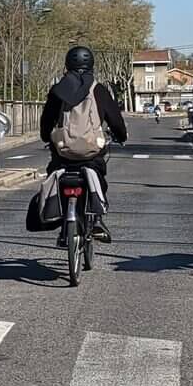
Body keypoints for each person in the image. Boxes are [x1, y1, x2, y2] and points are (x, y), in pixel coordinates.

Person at [39, 45, 128, 242]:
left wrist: (47, 137)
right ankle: (96, 219)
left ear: (67, 64)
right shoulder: (99, 90)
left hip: (62, 153)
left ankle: (62, 223)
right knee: (99, 178)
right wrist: (121, 136)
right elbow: (115, 120)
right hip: (91, 152)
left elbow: (47, 120)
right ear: (92, 65)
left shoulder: (57, 90)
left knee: (55, 173)